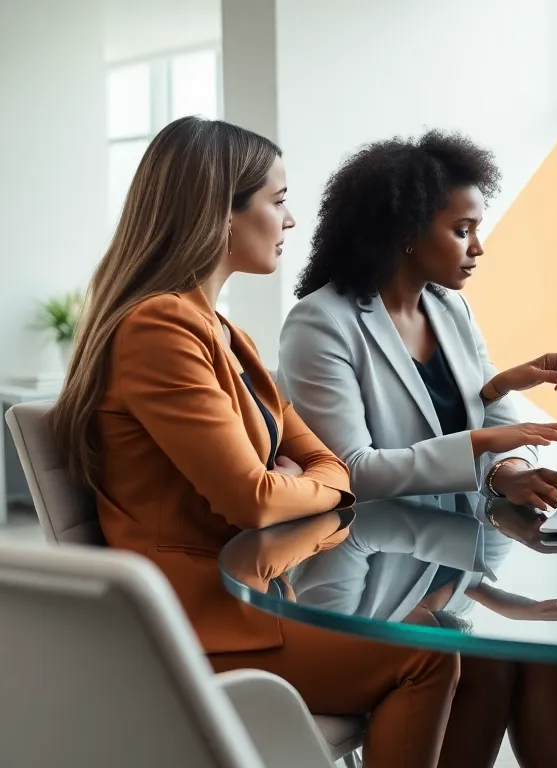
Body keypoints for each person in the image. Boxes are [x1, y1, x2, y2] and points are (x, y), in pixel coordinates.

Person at [48, 116, 465, 768]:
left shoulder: (222, 332)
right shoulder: (161, 328)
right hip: (196, 626)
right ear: (220, 214)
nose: (291, 221)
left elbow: (328, 463)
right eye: (277, 201)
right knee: (426, 657)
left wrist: (309, 478)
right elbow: (257, 501)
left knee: (456, 640)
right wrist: (308, 481)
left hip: (251, 599)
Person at [278, 129, 557, 768]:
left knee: (539, 665)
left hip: (443, 566)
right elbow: (351, 473)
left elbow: (489, 404)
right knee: (492, 665)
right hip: (357, 577)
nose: (478, 248)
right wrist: (484, 444)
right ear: (404, 230)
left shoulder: (449, 309)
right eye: (463, 230)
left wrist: (509, 467)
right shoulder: (321, 324)